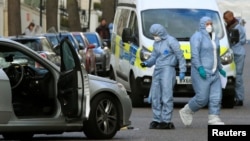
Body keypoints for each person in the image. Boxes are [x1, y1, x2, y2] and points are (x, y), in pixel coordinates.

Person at [179, 16, 227, 126]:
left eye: (211, 23)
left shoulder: (215, 37)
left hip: (214, 72)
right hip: (201, 72)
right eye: (207, 24)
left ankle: (214, 118)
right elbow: (195, 55)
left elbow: (216, 54)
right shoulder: (197, 37)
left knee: (216, 96)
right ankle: (187, 111)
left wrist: (220, 68)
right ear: (202, 25)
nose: (209, 26)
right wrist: (199, 67)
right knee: (202, 98)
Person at [141, 24, 186, 129]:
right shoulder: (156, 43)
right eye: (153, 35)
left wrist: (182, 70)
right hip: (158, 69)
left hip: (168, 69)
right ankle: (156, 119)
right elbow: (154, 56)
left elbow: (180, 55)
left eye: (156, 34)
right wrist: (147, 63)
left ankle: (166, 119)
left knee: (166, 95)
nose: (155, 36)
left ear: (161, 32)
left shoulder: (171, 41)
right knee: (155, 95)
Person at [223, 10, 247, 106]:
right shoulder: (228, 27)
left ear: (231, 16)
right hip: (232, 52)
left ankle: (239, 98)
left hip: (238, 53)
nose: (225, 20)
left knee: (238, 76)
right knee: (230, 75)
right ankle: (233, 96)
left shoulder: (238, 27)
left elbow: (242, 40)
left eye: (226, 18)